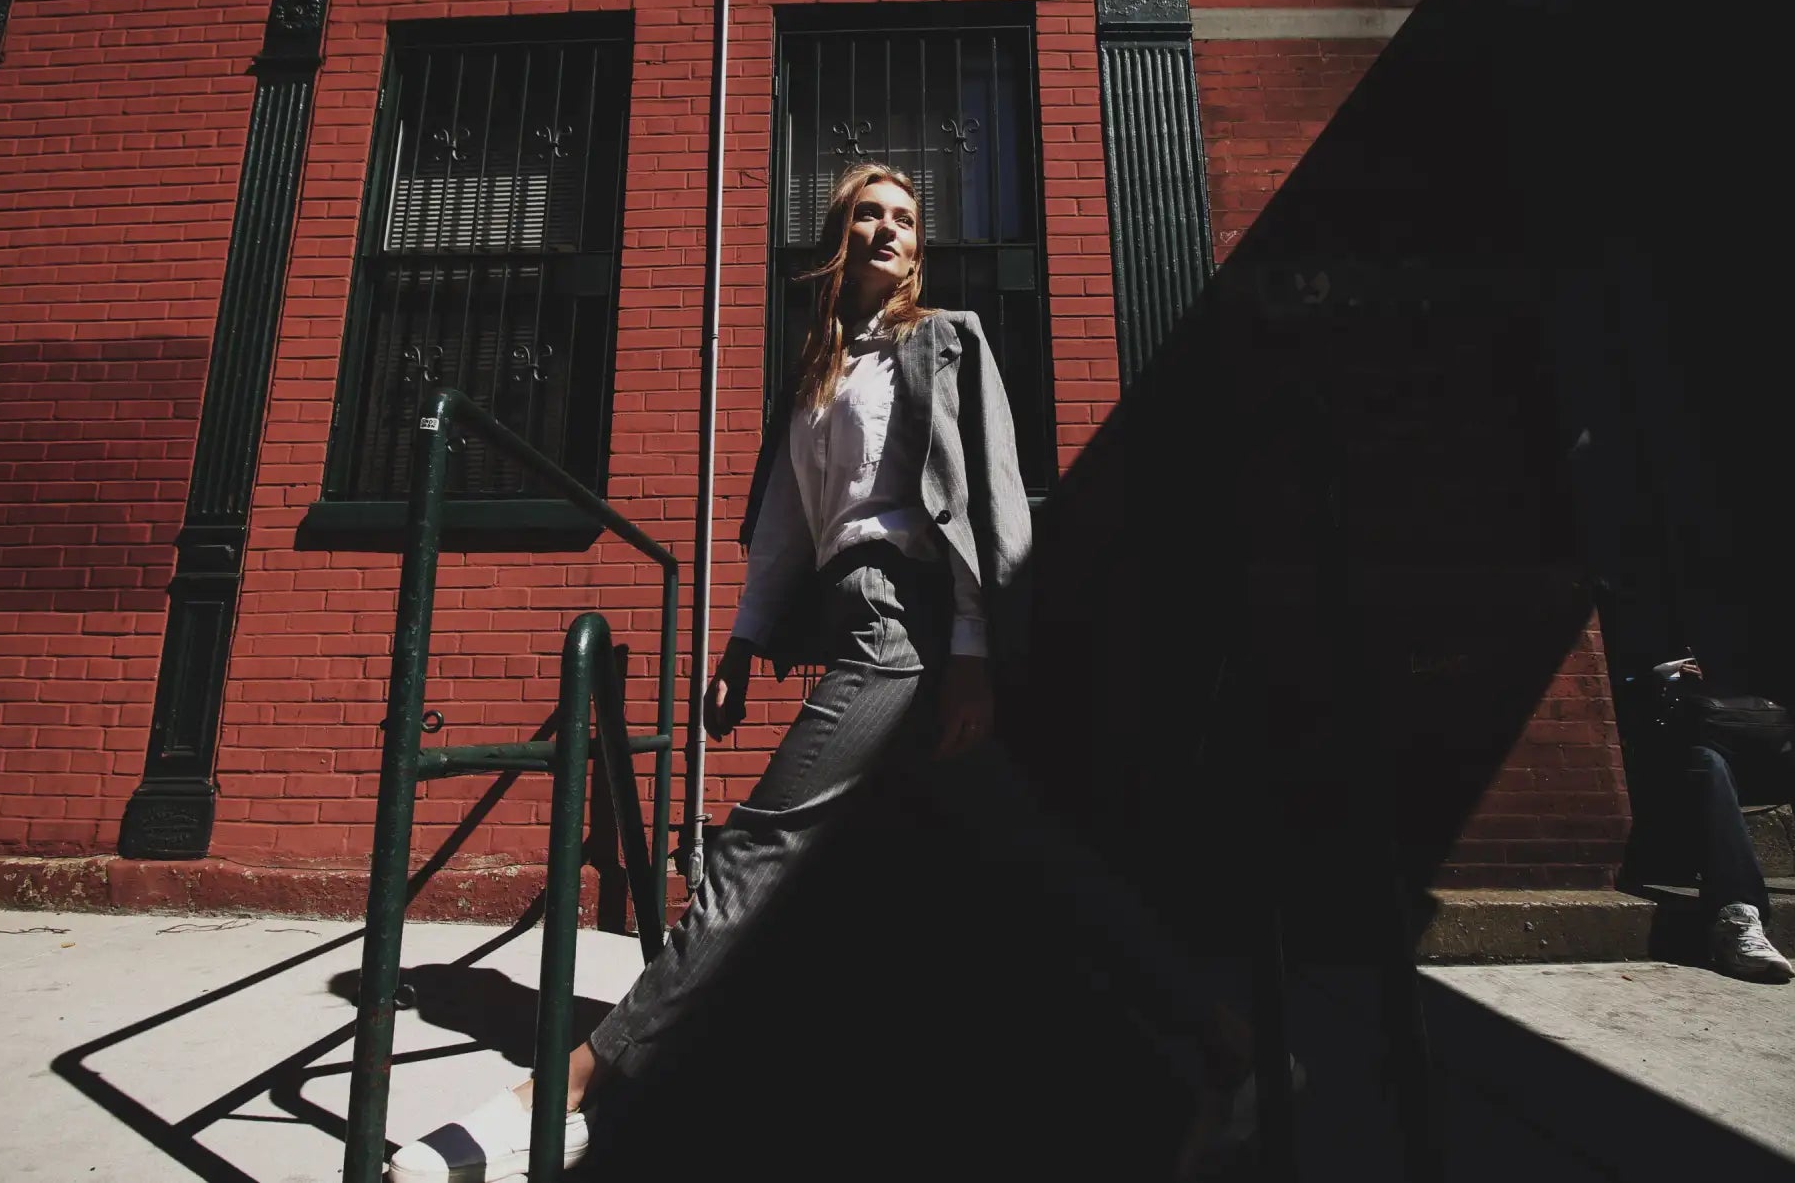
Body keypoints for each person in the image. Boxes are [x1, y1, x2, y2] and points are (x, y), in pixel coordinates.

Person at [390, 163, 1253, 1182]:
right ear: (837, 236)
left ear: (915, 250)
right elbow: (789, 533)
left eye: (904, 219)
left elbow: (989, 502)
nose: (887, 229)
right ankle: (1235, 1053)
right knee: (1036, 859)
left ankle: (566, 1087)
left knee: (753, 850)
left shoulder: (948, 339)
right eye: (868, 213)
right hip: (850, 617)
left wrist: (972, 653)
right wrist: (743, 647)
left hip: (910, 624)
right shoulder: (816, 374)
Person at [1655, 655, 1795, 982]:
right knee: (1708, 764)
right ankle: (1736, 918)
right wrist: (1668, 677)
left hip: (1744, 750)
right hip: (1670, 766)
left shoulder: (1731, 638)